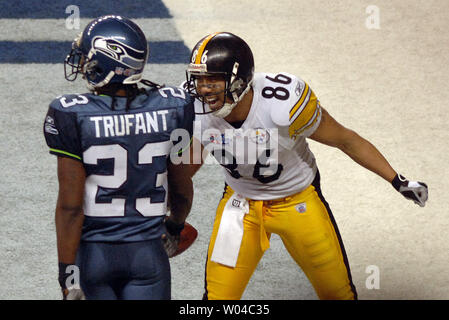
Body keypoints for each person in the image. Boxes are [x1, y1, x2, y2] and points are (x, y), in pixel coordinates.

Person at [184, 32, 428, 300]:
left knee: (338, 295)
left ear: (240, 81)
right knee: (217, 300)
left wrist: (397, 180)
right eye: (199, 80)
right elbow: (186, 164)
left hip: (297, 199)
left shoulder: (283, 105)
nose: (204, 89)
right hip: (239, 202)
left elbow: (345, 140)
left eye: (213, 80)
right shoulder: (193, 109)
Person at [43, 15, 194, 300]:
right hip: (148, 256)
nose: (83, 62)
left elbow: (70, 208)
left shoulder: (71, 113)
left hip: (93, 257)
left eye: (88, 57)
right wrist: (174, 227)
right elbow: (182, 191)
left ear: (107, 64)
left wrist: (68, 275)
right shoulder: (174, 107)